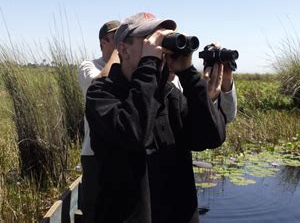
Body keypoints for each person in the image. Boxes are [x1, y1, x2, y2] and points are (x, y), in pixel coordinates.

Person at [85, 12, 229, 222]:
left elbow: (212, 137)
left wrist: (188, 73)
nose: (161, 49)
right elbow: (134, 134)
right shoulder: (101, 94)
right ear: (123, 49)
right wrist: (149, 64)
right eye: (151, 42)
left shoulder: (171, 95)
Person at [77, 20, 120, 223]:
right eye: (117, 37)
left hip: (121, 154)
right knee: (93, 212)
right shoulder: (88, 66)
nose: (123, 41)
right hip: (93, 155)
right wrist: (118, 55)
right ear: (103, 42)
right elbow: (99, 86)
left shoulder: (128, 69)